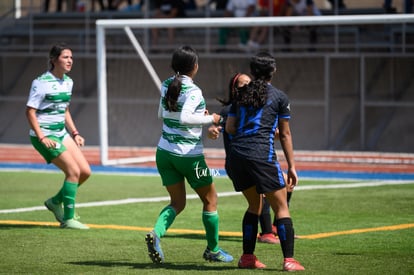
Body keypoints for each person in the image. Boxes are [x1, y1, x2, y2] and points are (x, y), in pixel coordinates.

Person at [145, 45, 233, 264]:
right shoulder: (193, 91)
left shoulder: (167, 84)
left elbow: (161, 114)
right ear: (194, 66)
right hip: (188, 156)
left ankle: (156, 233)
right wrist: (211, 119)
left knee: (177, 202)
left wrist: (198, 117)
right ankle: (212, 250)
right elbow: (185, 118)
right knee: (211, 199)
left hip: (164, 152)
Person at [225, 52, 304, 271]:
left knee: (254, 205)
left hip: (236, 157)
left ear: (252, 72)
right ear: (273, 71)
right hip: (261, 156)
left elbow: (230, 128)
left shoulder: (240, 94)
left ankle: (247, 258)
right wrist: (292, 166)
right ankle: (289, 260)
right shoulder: (279, 96)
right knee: (281, 208)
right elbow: (286, 135)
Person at [25, 43, 91, 230]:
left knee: (85, 172)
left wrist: (75, 132)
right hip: (45, 135)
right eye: (65, 57)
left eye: (71, 57)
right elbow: (30, 112)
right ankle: (68, 219)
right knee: (73, 172)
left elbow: (65, 110)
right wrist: (42, 138)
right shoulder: (41, 82)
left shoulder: (68, 82)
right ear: (54, 60)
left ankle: (55, 202)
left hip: (61, 133)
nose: (70, 60)